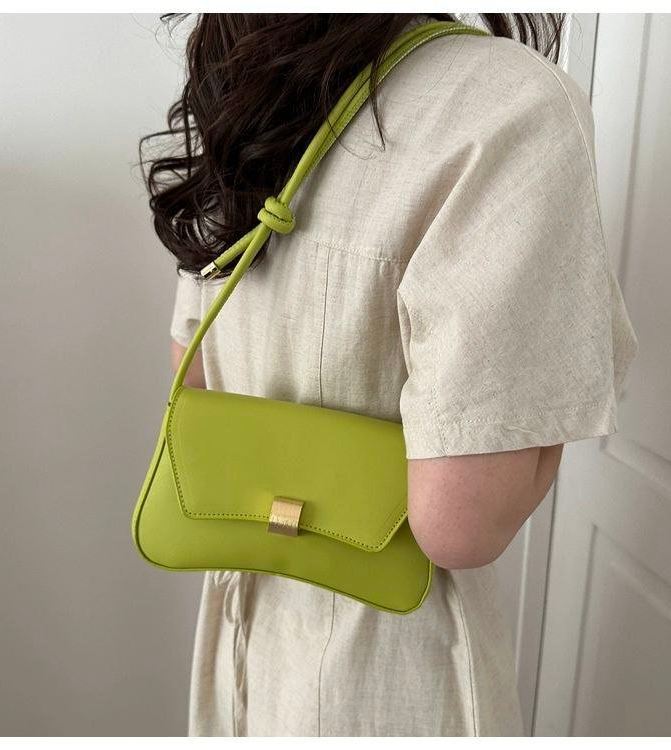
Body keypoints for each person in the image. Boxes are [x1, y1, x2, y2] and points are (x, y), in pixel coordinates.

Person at [139, 12, 639, 737]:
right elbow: (459, 524)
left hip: (244, 636)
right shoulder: (508, 101)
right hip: (392, 675)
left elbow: (193, 381)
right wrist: (552, 387)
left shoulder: (240, 81)